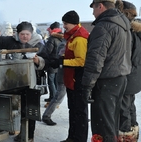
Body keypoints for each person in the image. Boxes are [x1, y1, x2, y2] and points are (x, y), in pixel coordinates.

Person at [33, 10, 89, 142]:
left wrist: (62, 62)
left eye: (66, 23)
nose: (64, 26)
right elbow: (70, 54)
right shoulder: (72, 35)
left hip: (78, 79)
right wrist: (60, 59)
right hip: (70, 78)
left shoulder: (80, 37)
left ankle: (79, 138)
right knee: (73, 110)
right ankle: (72, 137)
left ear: (73, 23)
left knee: (79, 112)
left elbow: (81, 61)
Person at [81, 0, 132, 141]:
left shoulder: (104, 26)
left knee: (102, 127)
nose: (92, 12)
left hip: (106, 81)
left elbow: (95, 59)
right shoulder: (123, 23)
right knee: (112, 123)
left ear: (100, 6)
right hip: (120, 78)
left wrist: (86, 85)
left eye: (93, 8)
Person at [0, 21, 46, 142]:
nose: (25, 36)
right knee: (10, 107)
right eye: (22, 34)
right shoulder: (8, 41)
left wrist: (38, 61)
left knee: (29, 110)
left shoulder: (36, 44)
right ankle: (10, 128)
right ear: (17, 34)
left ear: (31, 34)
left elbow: (46, 61)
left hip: (29, 82)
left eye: (27, 34)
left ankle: (28, 136)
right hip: (11, 81)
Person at [115, 1, 140, 141]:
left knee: (124, 108)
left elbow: (126, 56)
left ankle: (125, 135)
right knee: (130, 106)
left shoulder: (129, 33)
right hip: (135, 76)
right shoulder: (136, 32)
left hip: (128, 75)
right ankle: (132, 133)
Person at [42, 40, 66, 126]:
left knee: (59, 96)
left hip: (68, 74)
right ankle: (46, 116)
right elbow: (58, 57)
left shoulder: (64, 41)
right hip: (64, 74)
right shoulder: (65, 43)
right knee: (58, 97)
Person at [43, 22, 63, 108]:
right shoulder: (62, 37)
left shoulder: (52, 38)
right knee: (55, 81)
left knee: (51, 82)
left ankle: (53, 101)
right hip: (59, 62)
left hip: (52, 63)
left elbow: (48, 51)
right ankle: (53, 97)